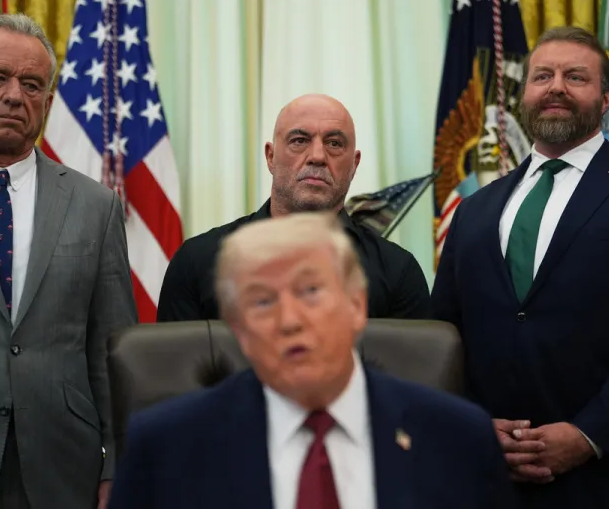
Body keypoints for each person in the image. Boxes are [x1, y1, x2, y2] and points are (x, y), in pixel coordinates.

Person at [110, 212, 515, 509]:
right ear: (239, 330)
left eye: (310, 291)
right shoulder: (165, 448)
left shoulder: (457, 439)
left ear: (357, 305)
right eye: (262, 301)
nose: (290, 320)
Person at [431, 26, 609, 509]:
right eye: (542, 76)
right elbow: (444, 336)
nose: (556, 87)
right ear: (525, 95)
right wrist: (472, 425)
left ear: (606, 99)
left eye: (575, 77)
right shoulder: (475, 210)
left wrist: (589, 433)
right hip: (491, 477)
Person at [0, 14, 137, 509]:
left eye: (32, 84)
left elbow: (113, 353)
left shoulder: (96, 206)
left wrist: (120, 469)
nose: (15, 95)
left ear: (49, 103)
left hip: (64, 469)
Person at [156, 93, 430, 322]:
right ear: (271, 157)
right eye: (299, 140)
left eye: (334, 144)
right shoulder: (198, 262)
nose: (318, 156)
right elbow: (174, 381)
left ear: (354, 164)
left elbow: (409, 383)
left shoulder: (398, 272)